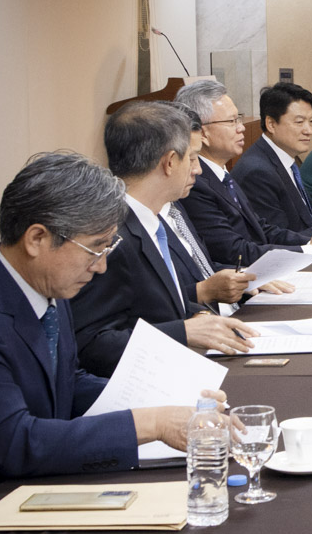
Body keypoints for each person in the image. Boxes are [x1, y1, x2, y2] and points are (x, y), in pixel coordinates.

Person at [0, 153, 220, 534]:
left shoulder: (45, 286)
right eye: (95, 248)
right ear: (37, 239)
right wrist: (150, 423)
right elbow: (13, 441)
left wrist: (168, 400)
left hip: (24, 499)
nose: (101, 268)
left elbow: (66, 381)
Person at [70, 101, 258, 375]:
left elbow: (155, 304)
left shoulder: (153, 221)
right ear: (170, 162)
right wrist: (183, 331)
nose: (198, 170)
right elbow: (91, 344)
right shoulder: (111, 237)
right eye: (192, 158)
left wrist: (198, 314)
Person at [175, 79, 312, 268]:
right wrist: (311, 250)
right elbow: (232, 250)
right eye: (232, 121)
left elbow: (262, 229)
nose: (241, 127)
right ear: (203, 133)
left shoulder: (222, 174)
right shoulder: (195, 183)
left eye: (239, 118)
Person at [231, 82, 312, 238]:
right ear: (271, 124)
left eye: (311, 121)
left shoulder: (287, 159)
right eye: (299, 122)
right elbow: (275, 239)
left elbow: (307, 222)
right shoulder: (257, 171)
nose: (309, 130)